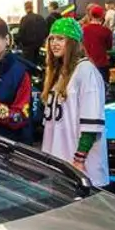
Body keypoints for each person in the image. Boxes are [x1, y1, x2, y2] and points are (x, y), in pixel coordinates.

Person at [39, 17, 107, 185]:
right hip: (59, 163)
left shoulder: (86, 71)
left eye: (61, 39)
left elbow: (91, 122)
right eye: (52, 39)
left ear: (73, 43)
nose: (54, 43)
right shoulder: (59, 72)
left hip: (78, 167)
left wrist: (79, 159)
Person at [80, 5, 113, 80]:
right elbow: (109, 47)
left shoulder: (83, 29)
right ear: (102, 16)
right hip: (101, 63)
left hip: (86, 62)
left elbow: (81, 45)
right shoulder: (106, 31)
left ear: (91, 15)